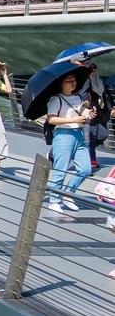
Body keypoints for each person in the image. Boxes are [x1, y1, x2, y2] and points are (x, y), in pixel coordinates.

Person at [46, 72, 97, 217]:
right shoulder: (56, 99)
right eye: (68, 80)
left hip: (78, 135)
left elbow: (83, 112)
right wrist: (74, 119)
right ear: (61, 83)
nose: (72, 82)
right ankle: (54, 200)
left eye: (73, 80)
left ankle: (68, 193)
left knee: (86, 169)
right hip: (64, 135)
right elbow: (51, 120)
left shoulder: (79, 97)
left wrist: (89, 114)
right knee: (60, 170)